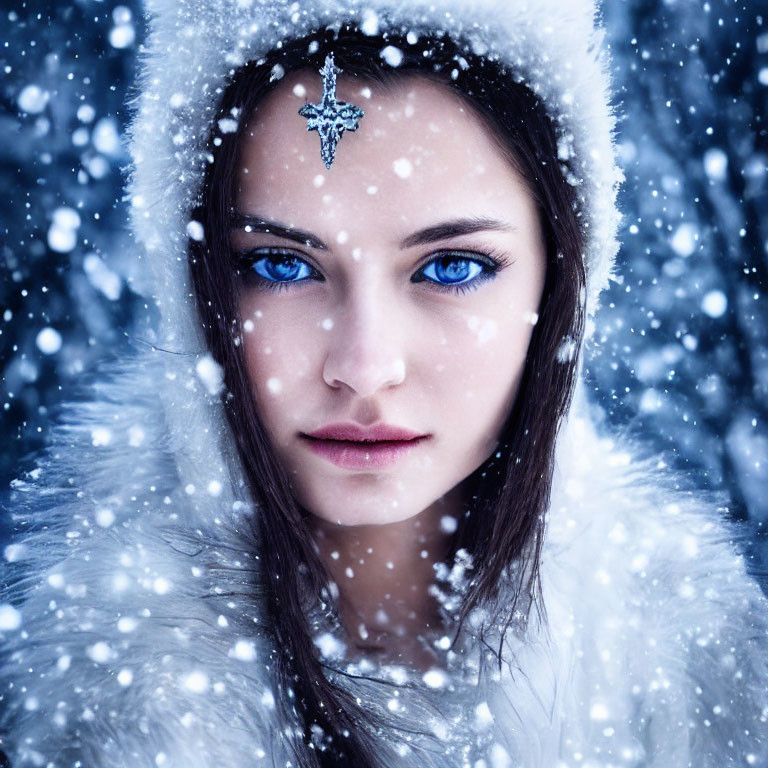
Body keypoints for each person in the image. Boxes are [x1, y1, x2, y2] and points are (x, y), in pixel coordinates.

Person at [1, 1, 766, 766]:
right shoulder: (80, 712)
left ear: (562, 282)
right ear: (192, 287)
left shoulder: (701, 681)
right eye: (279, 265)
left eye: (452, 267)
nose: (365, 367)